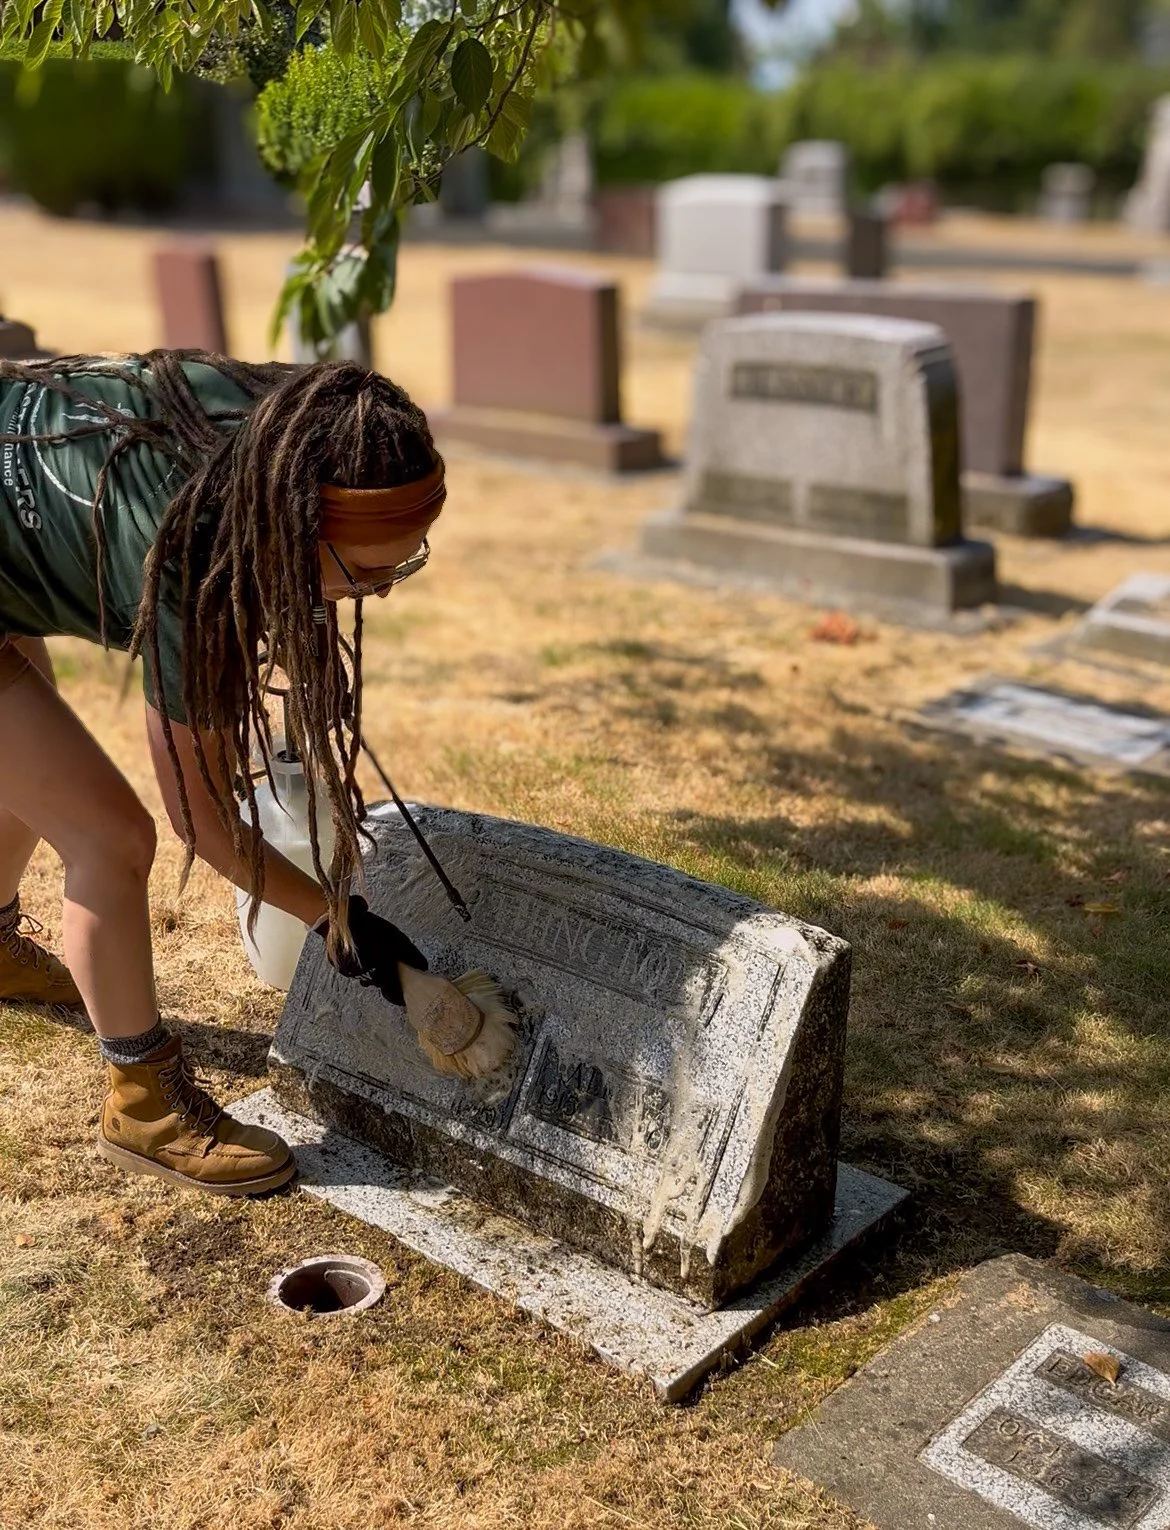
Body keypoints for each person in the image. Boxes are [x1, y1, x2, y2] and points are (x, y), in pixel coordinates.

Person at [0, 349, 447, 1196]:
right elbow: (199, 820)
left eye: (408, 559)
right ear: (290, 529)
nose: (383, 592)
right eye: (369, 572)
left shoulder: (300, 426)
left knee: (31, 764)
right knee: (109, 837)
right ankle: (143, 1103)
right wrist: (337, 923)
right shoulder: (195, 566)